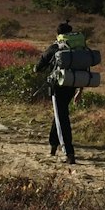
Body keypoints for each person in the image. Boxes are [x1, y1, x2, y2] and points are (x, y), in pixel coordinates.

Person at [36, 22, 83, 165]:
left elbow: (38, 67)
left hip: (57, 88)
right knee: (59, 114)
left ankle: (69, 152)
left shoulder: (54, 47)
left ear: (58, 34)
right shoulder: (78, 48)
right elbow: (82, 68)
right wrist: (80, 90)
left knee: (62, 118)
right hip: (72, 85)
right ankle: (53, 145)